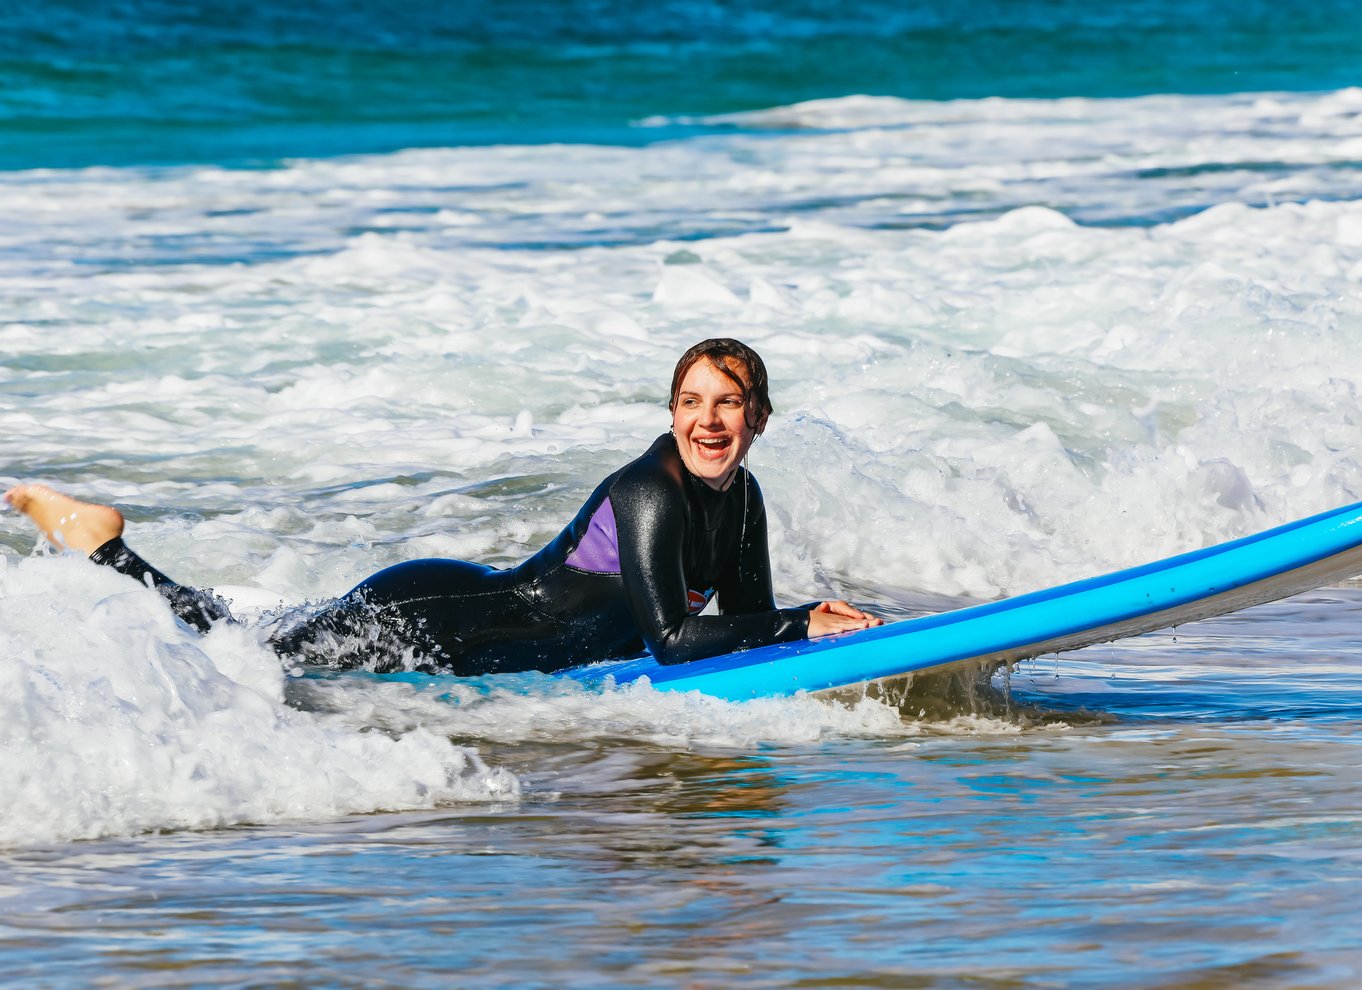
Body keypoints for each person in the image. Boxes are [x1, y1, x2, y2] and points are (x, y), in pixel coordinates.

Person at [4, 338, 881, 675]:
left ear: (757, 416)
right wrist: (801, 626)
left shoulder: (742, 499)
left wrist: (811, 627)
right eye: (690, 402)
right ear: (671, 415)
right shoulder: (651, 490)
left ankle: (110, 553)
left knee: (257, 642)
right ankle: (105, 549)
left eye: (726, 403)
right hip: (440, 618)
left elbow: (751, 623)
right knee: (245, 654)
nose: (707, 420)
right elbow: (676, 640)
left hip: (498, 635)